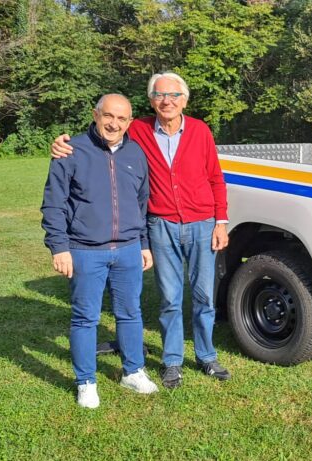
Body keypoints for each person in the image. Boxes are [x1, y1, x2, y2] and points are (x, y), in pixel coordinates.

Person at [51, 73, 231, 389]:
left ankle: (206, 355)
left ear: (185, 100)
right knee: (170, 298)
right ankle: (172, 362)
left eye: (174, 95)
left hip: (202, 223)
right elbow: (103, 132)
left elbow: (215, 177)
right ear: (151, 101)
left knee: (204, 296)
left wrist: (221, 221)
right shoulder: (139, 129)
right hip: (161, 224)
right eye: (160, 95)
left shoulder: (200, 130)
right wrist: (60, 143)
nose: (167, 101)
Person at [41, 94, 159, 408]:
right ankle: (86, 382)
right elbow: (53, 204)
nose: (114, 124)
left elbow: (141, 202)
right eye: (108, 116)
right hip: (84, 250)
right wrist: (59, 247)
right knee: (85, 318)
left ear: (129, 122)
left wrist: (144, 244)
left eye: (121, 119)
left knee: (130, 313)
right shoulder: (71, 150)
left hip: (128, 249)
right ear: (96, 115)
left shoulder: (136, 153)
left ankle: (133, 371)